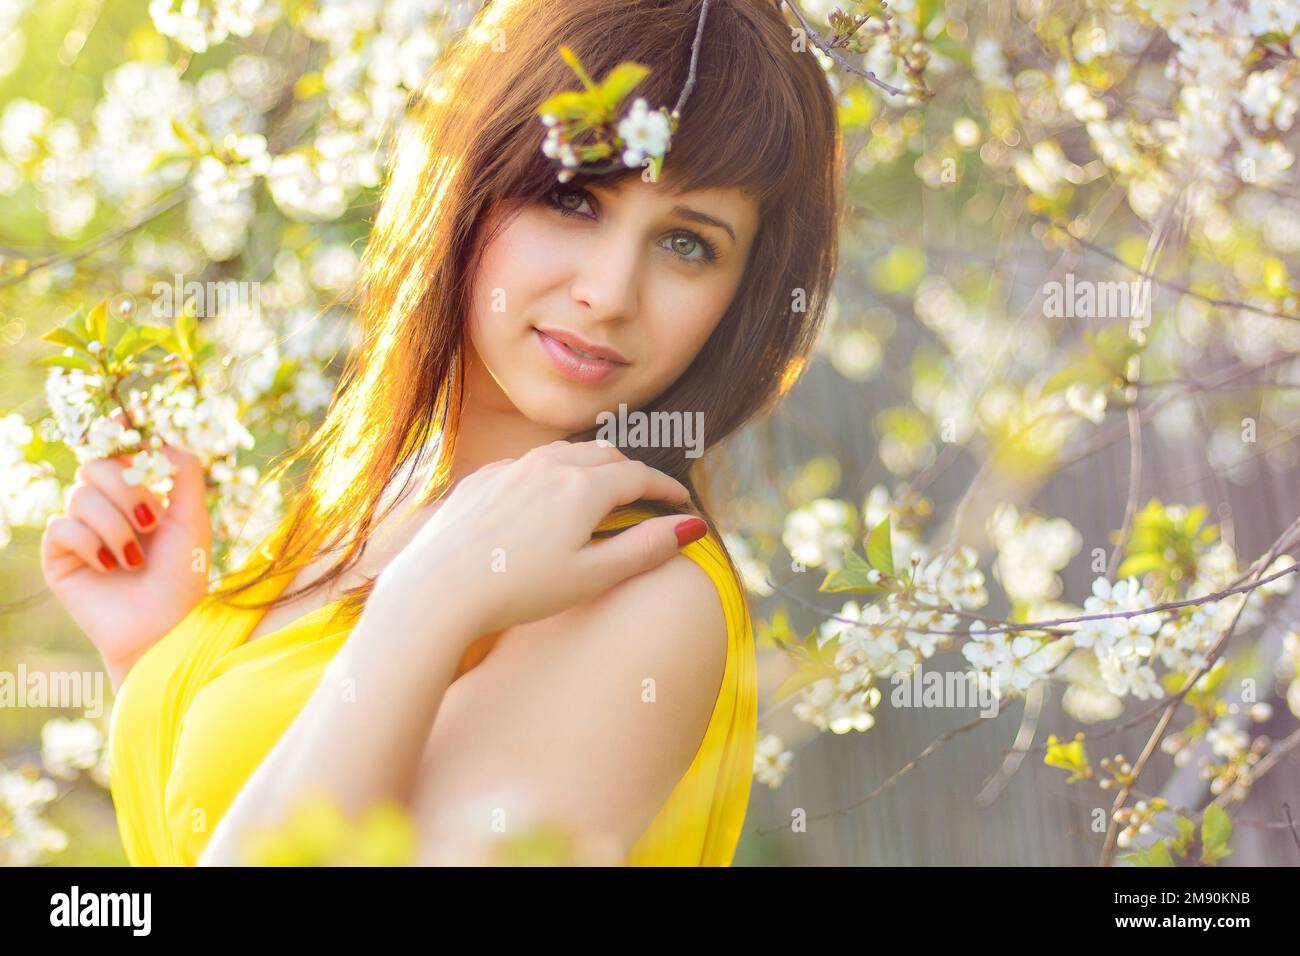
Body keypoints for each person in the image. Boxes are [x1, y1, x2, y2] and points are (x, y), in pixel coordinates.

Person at [40, 0, 843, 866]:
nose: (610, 292)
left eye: (687, 244)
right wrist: (161, 665)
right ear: (467, 180)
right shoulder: (380, 509)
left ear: (743, 295)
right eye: (574, 199)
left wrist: (427, 608)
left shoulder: (647, 598)